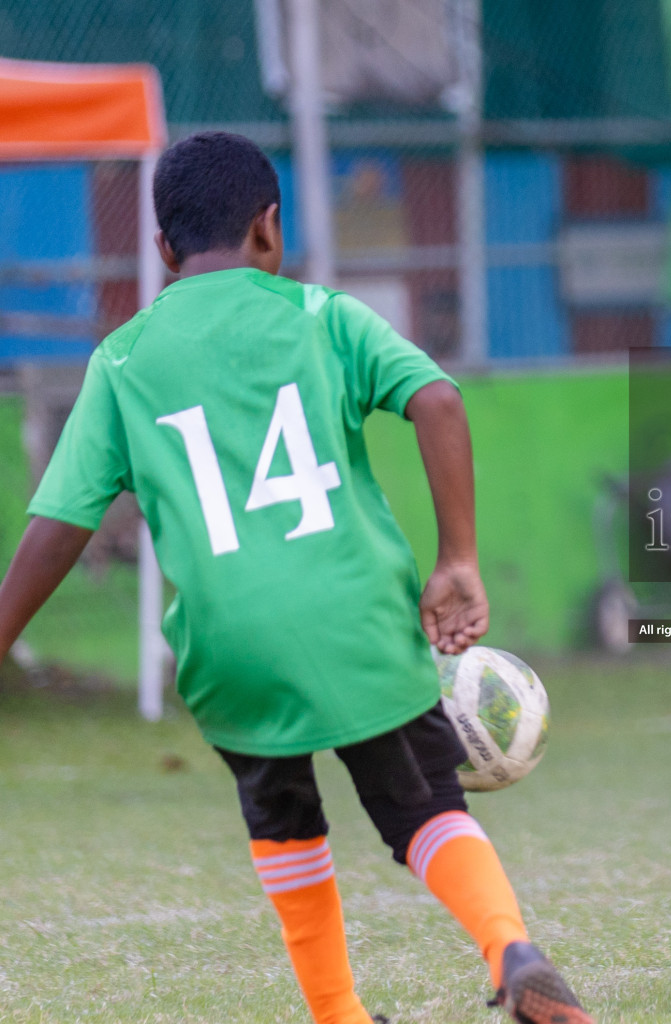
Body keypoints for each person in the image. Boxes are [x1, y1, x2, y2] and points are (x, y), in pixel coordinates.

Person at [0, 132, 588, 1024]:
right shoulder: (323, 317)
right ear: (269, 228)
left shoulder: (120, 361)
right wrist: (457, 560)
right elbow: (437, 399)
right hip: (352, 615)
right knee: (421, 806)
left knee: (282, 816)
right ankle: (511, 947)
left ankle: (337, 1014)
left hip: (229, 642)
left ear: (163, 250)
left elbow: (59, 525)